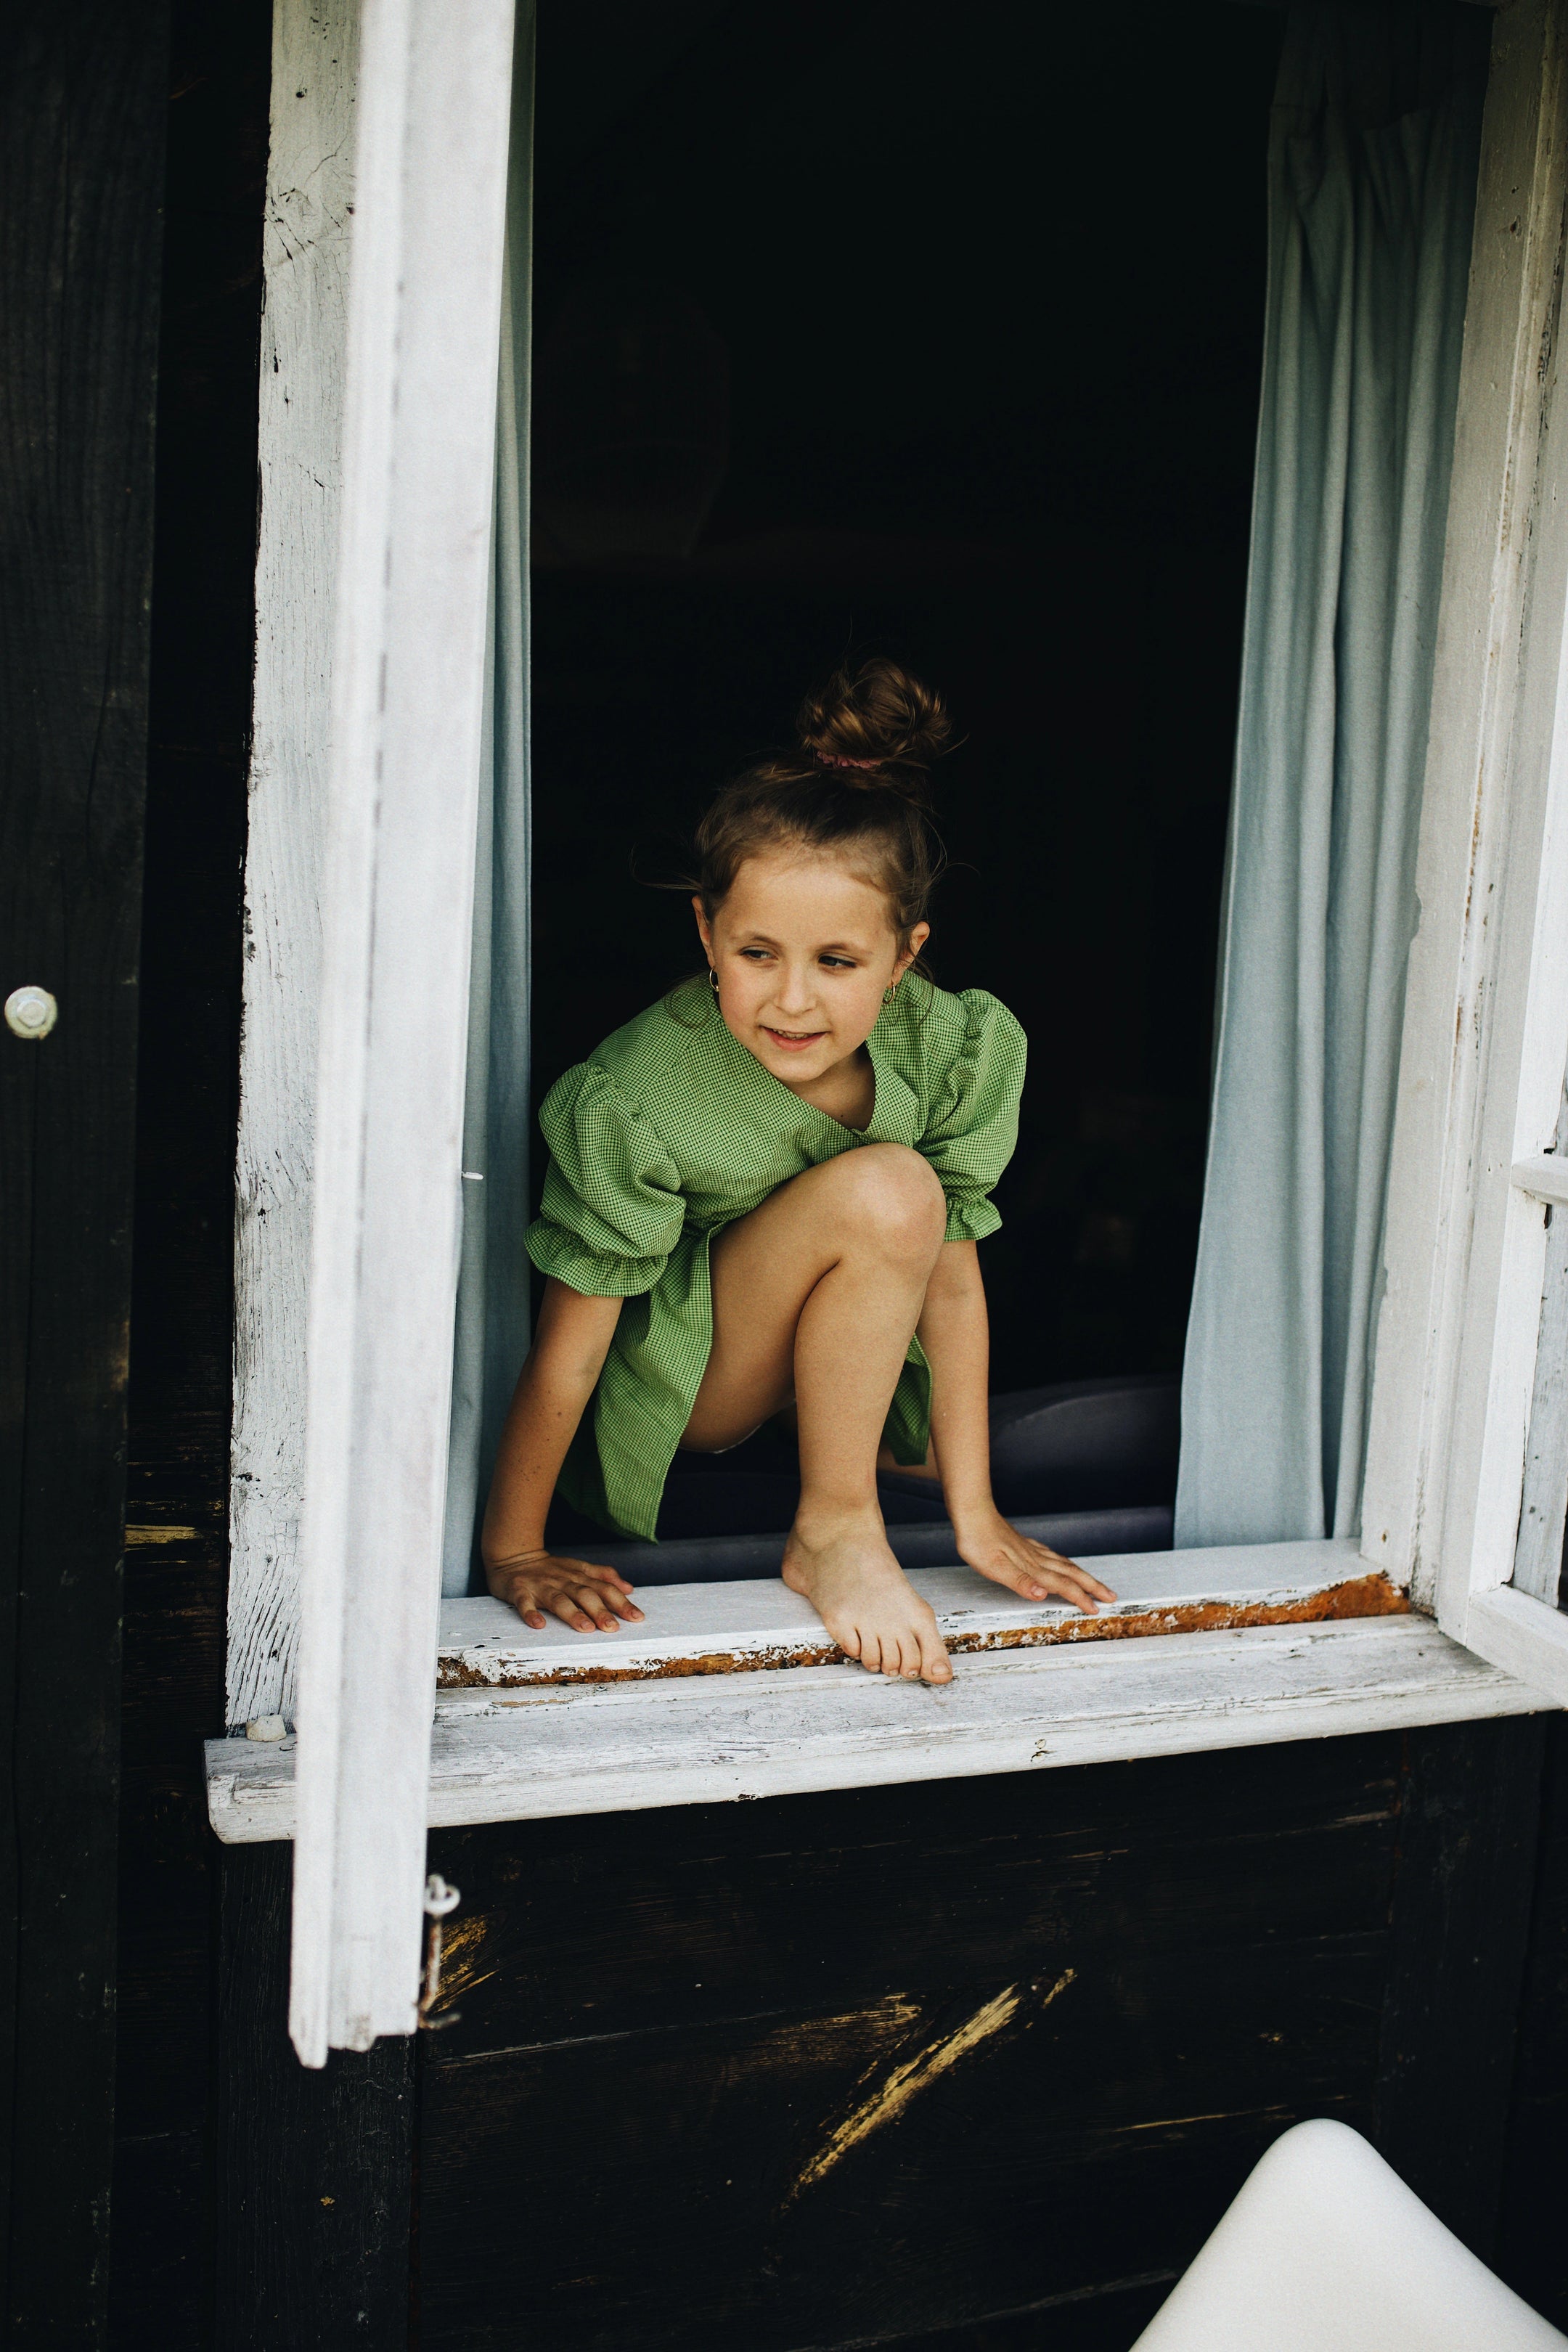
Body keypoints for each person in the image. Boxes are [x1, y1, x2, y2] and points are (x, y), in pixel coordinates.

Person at [481, 656, 1114, 1683]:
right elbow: (573, 1344)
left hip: (815, 1342)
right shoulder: (639, 1093)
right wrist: (512, 1548)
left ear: (904, 957)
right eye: (757, 953)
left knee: (924, 1284)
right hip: (693, 1391)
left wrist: (978, 1515)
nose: (791, 1003)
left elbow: (951, 1279)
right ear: (705, 932)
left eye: (837, 962)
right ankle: (833, 1529)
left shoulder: (950, 1046)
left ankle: (883, 1487)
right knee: (890, 1188)